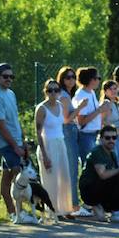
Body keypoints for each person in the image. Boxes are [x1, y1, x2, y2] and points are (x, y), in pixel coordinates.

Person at [0, 62, 32, 224]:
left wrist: (23, 141)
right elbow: (1, 125)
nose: (9, 79)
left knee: (7, 178)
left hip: (17, 141)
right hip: (5, 143)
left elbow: (15, 120)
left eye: (11, 77)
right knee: (19, 174)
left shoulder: (10, 94)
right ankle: (18, 213)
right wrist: (14, 146)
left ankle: (13, 213)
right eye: (5, 76)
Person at [80, 126, 119, 222]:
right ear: (101, 139)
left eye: (114, 138)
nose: (111, 140)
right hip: (89, 189)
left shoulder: (112, 154)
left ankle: (115, 209)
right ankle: (116, 211)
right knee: (116, 178)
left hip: (102, 187)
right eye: (107, 138)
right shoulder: (97, 152)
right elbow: (102, 174)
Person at [34, 79, 72, 219]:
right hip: (48, 145)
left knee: (64, 177)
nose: (53, 93)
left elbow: (64, 122)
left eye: (56, 90)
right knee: (51, 180)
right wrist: (45, 155)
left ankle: (63, 209)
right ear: (45, 92)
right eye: (50, 90)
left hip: (60, 143)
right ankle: (52, 210)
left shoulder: (61, 105)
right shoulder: (41, 108)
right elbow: (38, 132)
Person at [72, 66, 106, 215]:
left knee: (94, 169)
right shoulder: (81, 95)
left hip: (93, 135)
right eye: (97, 78)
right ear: (90, 80)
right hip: (85, 136)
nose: (99, 81)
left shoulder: (91, 92)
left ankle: (92, 201)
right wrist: (100, 110)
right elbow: (82, 121)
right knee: (90, 170)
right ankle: (87, 203)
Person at [56, 66, 81, 214]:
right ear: (62, 79)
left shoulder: (68, 94)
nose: (71, 80)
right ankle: (74, 205)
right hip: (68, 131)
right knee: (71, 169)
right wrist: (80, 108)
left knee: (70, 168)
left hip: (71, 131)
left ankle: (70, 204)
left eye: (73, 77)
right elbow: (66, 119)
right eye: (68, 77)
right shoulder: (64, 96)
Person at [100, 77, 119, 166]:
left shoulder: (115, 103)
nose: (113, 91)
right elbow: (101, 122)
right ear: (105, 91)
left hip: (117, 137)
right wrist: (113, 129)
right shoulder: (106, 104)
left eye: (115, 88)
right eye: (110, 89)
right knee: (113, 162)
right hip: (110, 138)